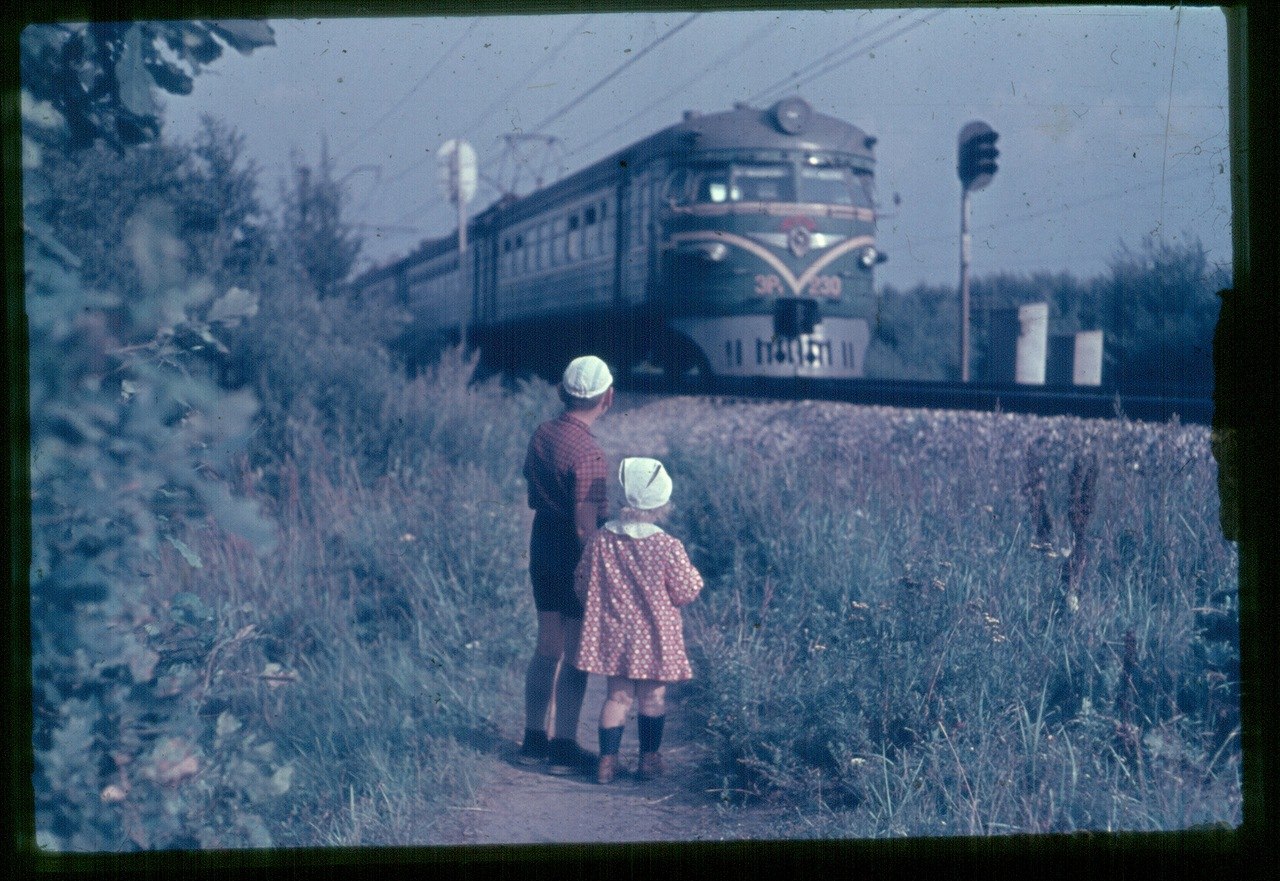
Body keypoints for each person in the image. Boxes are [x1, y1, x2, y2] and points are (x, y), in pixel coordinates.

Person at [573, 457, 704, 785]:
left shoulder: (601, 540)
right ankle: (648, 760)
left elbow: (582, 581)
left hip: (614, 632)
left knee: (616, 697)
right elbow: (686, 591)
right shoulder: (667, 546)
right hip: (656, 635)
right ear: (662, 505)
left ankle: (607, 762)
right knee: (652, 698)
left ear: (623, 499)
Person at [518, 355, 614, 775]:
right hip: (574, 551)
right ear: (607, 398)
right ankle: (564, 746)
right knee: (576, 656)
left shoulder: (542, 433)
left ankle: (533, 738)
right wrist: (595, 566)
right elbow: (584, 523)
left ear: (562, 392)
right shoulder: (590, 453)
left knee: (546, 647)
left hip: (542, 542)